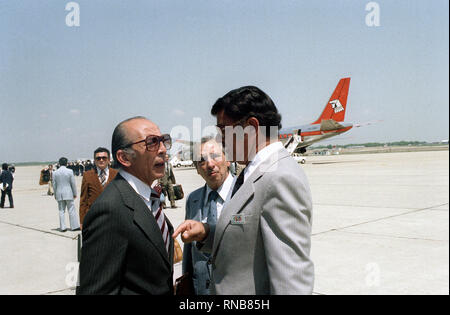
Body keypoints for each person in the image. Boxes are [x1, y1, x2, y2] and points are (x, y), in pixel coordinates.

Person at [174, 86, 314, 295]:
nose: (221, 140)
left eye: (223, 131)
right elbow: (248, 243)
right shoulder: (253, 171)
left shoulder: (280, 178)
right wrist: (206, 233)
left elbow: (291, 278)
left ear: (251, 127)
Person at [77, 116, 175, 295]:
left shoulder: (148, 198)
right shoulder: (110, 209)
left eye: (163, 141)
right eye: (152, 142)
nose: (162, 149)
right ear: (124, 157)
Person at [182, 137, 233, 295]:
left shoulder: (246, 194)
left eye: (215, 156)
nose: (210, 164)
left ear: (228, 159)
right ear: (197, 169)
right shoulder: (193, 199)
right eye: (201, 161)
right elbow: (189, 250)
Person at [79, 147, 118, 227]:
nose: (101, 160)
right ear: (95, 160)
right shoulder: (87, 175)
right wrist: (82, 221)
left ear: (109, 159)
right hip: (93, 218)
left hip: (113, 217)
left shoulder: (117, 174)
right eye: (98, 158)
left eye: (104, 158)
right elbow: (83, 199)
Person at [52, 157, 80, 232]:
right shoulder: (70, 171)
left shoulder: (55, 172)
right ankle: (74, 226)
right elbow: (73, 183)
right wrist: (75, 193)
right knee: (71, 210)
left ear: (59, 163)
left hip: (59, 193)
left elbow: (54, 185)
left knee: (61, 210)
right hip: (68, 192)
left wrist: (55, 194)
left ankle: (63, 227)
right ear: (66, 163)